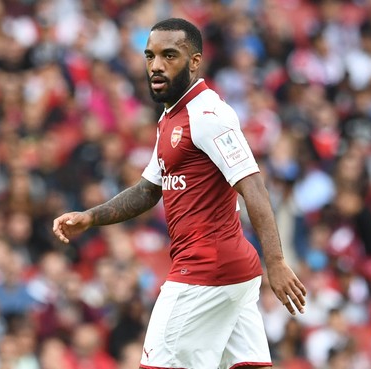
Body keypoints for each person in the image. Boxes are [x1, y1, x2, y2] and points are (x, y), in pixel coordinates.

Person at [53, 17, 307, 369]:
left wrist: (276, 262)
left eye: (169, 56)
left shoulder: (208, 114)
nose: (156, 66)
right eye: (150, 56)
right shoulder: (172, 116)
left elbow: (254, 186)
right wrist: (91, 216)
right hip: (231, 271)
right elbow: (147, 191)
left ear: (194, 61)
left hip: (205, 269)